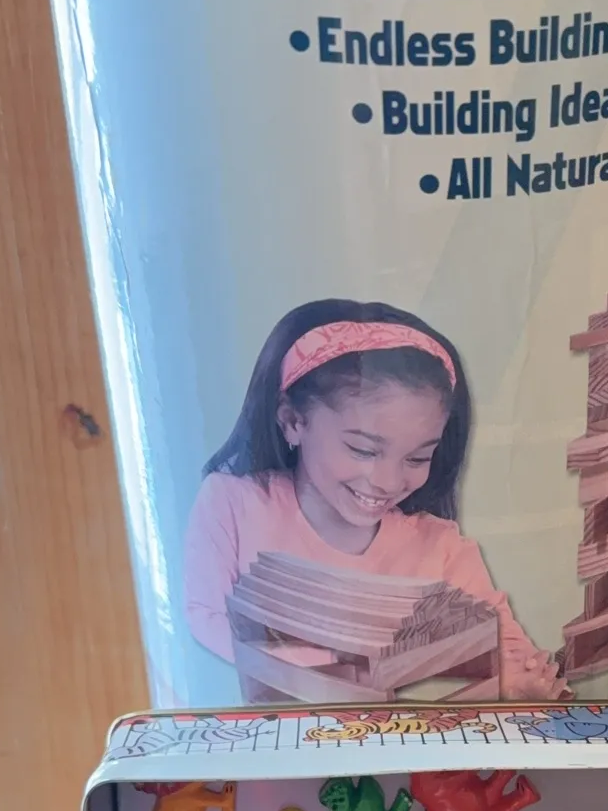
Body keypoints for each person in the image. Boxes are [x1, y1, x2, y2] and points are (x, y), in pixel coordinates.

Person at [184, 297, 565, 698]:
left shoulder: (441, 549)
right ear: (293, 421)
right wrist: (340, 673)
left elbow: (507, 650)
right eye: (364, 450)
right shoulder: (233, 504)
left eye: (417, 458)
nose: (388, 481)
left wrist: (522, 679)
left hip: (403, 737)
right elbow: (205, 615)